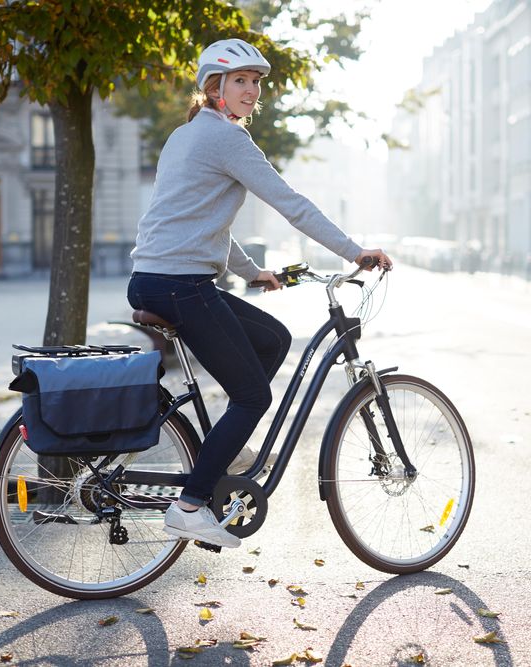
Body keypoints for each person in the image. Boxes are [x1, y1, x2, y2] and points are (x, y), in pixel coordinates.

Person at [127, 38, 392, 549]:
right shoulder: (226, 139)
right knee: (254, 395)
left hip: (161, 277)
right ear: (214, 87)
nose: (251, 90)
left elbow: (198, 220)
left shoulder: (185, 136)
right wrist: (354, 251)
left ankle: (226, 446)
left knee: (271, 338)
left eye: (255, 82)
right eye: (240, 81)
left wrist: (251, 272)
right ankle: (190, 505)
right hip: (180, 283)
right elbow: (291, 204)